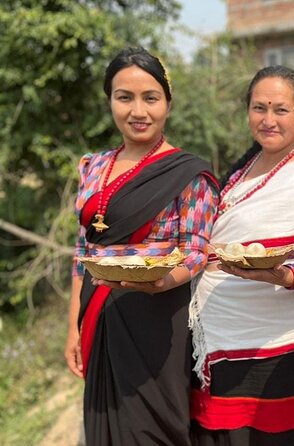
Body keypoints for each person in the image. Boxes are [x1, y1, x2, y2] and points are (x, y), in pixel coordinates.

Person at [64, 47, 220, 445]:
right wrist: (72, 328)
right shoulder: (92, 166)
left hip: (156, 321)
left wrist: (163, 282)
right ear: (109, 100)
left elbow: (196, 249)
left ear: (167, 102)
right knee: (101, 425)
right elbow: (83, 253)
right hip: (98, 315)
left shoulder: (188, 173)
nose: (138, 110)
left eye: (150, 98)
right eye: (124, 97)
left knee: (153, 429)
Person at [188, 65, 294, 446]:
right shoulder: (239, 173)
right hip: (217, 344)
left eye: (281, 109)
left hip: (281, 349)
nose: (268, 119)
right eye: (259, 108)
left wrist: (283, 275)